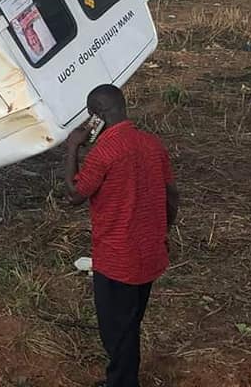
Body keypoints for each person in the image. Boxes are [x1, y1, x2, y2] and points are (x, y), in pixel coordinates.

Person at [65, 84, 180, 387]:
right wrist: (161, 232)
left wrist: (73, 147)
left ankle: (122, 383)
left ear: (97, 116)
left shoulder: (104, 152)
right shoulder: (153, 144)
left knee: (117, 330)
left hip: (117, 258)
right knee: (130, 322)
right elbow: (171, 198)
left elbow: (75, 193)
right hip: (150, 253)